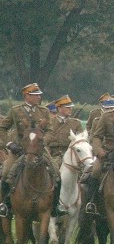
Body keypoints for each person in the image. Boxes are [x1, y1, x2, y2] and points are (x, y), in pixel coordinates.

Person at [0, 83, 53, 218]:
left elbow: (50, 131)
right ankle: (5, 204)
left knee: (56, 171)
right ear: (26, 95)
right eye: (35, 95)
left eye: (39, 95)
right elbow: (2, 128)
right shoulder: (15, 110)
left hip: (39, 150)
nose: (39, 97)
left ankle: (56, 204)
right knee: (7, 172)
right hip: (19, 150)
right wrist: (9, 143)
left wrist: (42, 142)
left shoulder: (44, 111)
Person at [45, 95, 84, 217]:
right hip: (54, 155)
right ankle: (53, 204)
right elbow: (44, 140)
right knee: (53, 177)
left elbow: (82, 140)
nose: (70, 109)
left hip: (72, 154)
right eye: (67, 107)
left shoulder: (75, 123)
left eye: (70, 107)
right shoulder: (50, 122)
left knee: (87, 176)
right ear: (59, 108)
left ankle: (85, 205)